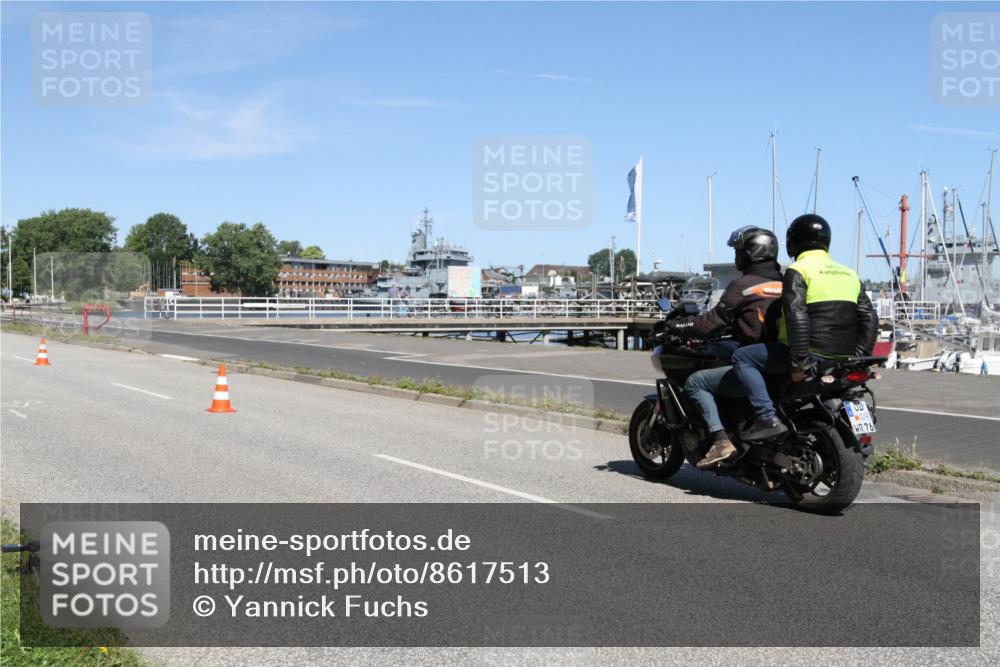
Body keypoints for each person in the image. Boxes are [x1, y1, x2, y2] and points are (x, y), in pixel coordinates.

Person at [731, 214, 879, 441]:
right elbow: (869, 318)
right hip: (845, 358)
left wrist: (799, 362)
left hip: (810, 354)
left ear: (793, 241)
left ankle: (765, 417)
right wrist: (860, 356)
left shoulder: (799, 270)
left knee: (742, 357)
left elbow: (796, 315)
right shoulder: (849, 273)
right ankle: (864, 443)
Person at [658, 226, 783, 468]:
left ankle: (720, 440)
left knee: (696, 382)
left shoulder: (743, 285)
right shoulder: (784, 282)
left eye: (738, 251)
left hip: (757, 362)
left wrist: (677, 326)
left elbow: (708, 324)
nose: (736, 257)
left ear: (749, 253)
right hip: (781, 358)